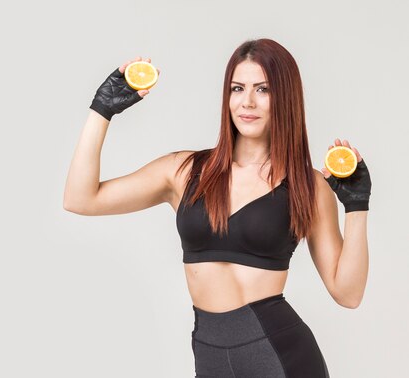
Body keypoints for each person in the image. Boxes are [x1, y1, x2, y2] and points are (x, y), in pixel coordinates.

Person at [63, 38, 371, 377]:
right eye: (237, 88)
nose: (247, 101)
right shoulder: (183, 170)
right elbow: (80, 199)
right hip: (210, 360)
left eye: (263, 89)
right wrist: (101, 110)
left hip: (282, 360)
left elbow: (348, 293)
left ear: (285, 98)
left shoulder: (307, 184)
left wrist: (357, 207)